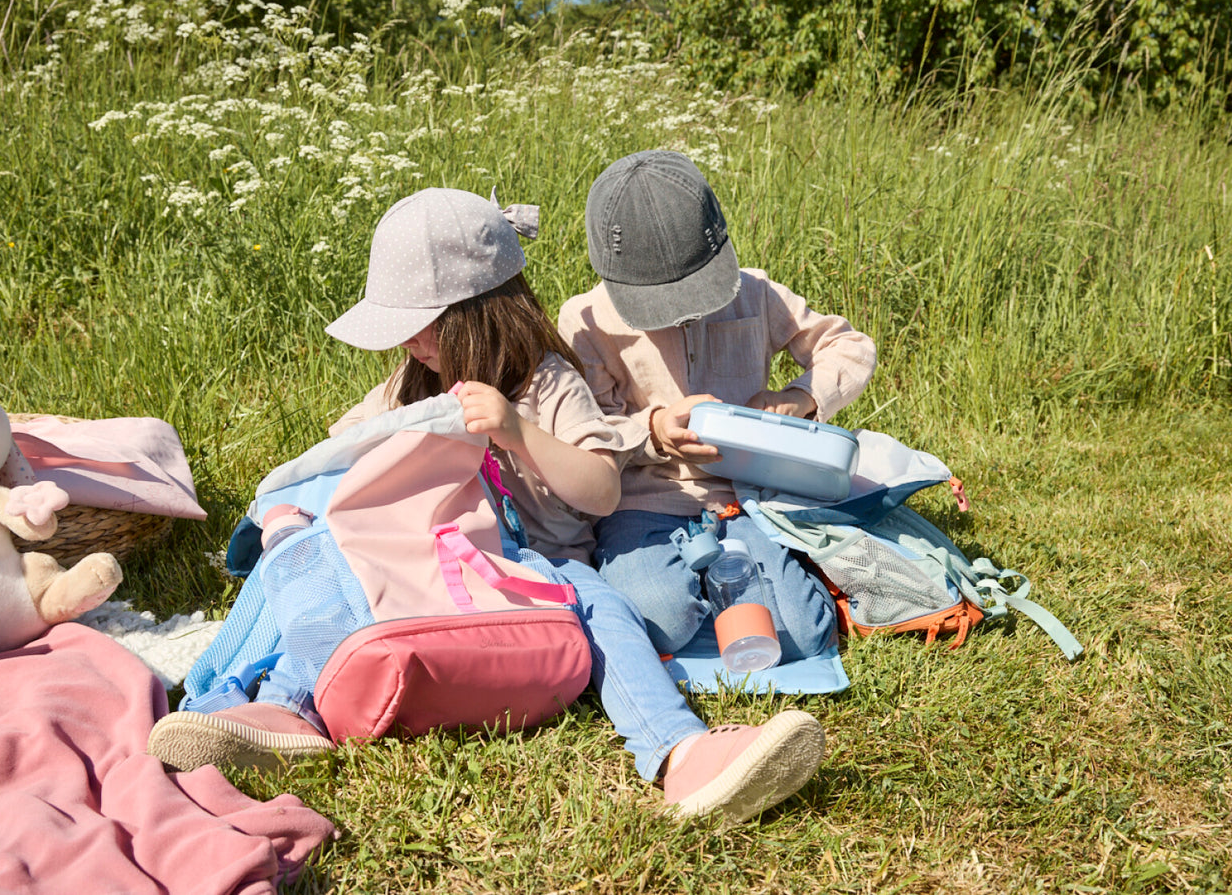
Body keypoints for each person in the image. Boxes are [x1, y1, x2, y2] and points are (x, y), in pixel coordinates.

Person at [148, 187, 825, 823]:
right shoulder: (419, 379)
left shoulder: (548, 383)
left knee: (604, 608)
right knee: (331, 570)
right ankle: (282, 709)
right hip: (432, 563)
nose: (408, 342)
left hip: (536, 568)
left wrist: (514, 431)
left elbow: (601, 488)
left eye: (422, 324)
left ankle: (679, 750)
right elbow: (342, 446)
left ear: (481, 312)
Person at [557, 150, 878, 664]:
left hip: (745, 496)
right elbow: (588, 428)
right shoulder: (586, 320)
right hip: (645, 501)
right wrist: (655, 431)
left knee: (805, 634)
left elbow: (850, 346)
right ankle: (713, 589)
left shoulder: (753, 293)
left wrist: (799, 398)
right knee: (660, 619)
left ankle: (734, 582)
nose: (683, 313)